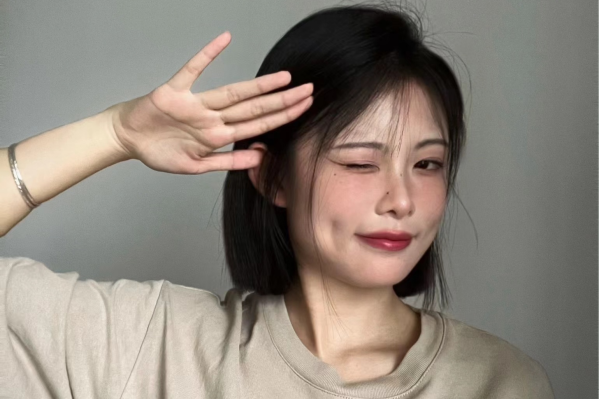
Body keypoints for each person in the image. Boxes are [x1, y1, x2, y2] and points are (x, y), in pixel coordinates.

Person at [0, 2, 555, 398]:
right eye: (361, 162)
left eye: (427, 164)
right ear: (273, 177)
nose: (402, 200)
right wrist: (115, 133)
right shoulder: (152, 344)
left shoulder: (501, 382)